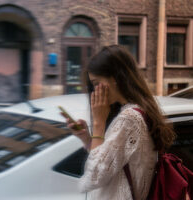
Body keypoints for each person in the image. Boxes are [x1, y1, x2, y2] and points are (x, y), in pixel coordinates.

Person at [61, 45, 176, 200]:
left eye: (96, 83)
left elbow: (93, 176)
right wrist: (87, 140)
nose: (95, 91)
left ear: (114, 78)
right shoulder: (136, 113)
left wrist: (98, 124)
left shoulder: (129, 119)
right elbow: (108, 163)